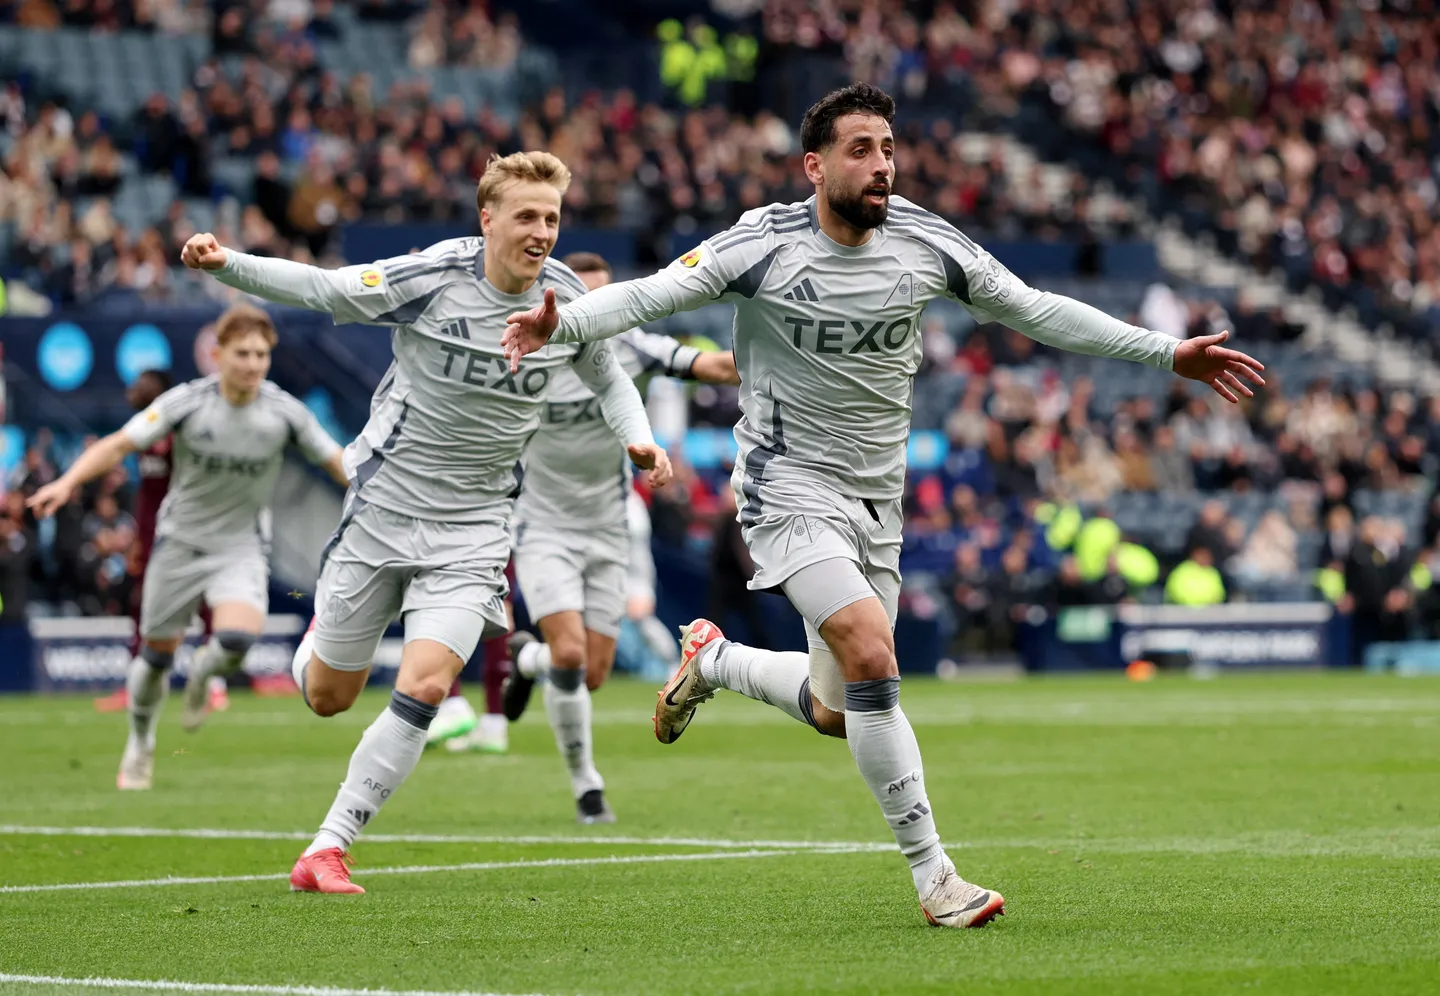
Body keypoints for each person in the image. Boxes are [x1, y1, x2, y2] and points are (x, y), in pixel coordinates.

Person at [501, 83, 1265, 928]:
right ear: (815, 165)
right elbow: (647, 295)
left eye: (889, 149)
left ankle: (714, 662)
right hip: (786, 487)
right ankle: (936, 879)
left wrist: (1164, 353)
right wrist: (559, 324)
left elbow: (1036, 310)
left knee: (839, 710)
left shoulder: (925, 242)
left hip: (878, 499)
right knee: (872, 656)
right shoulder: (763, 244)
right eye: (860, 149)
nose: (881, 166)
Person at [179, 151, 671, 894]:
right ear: (487, 219)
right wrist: (226, 265)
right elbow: (321, 287)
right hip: (385, 508)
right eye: (527, 216)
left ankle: (328, 847)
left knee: (429, 684)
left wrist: (640, 439)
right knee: (327, 698)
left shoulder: (566, 298)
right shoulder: (433, 277)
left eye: (552, 217)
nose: (542, 231)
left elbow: (610, 377)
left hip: (476, 525)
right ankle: (318, 645)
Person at [28, 306, 349, 790]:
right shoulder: (186, 402)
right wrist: (68, 482)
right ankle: (140, 743)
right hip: (179, 544)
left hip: (240, 546)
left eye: (262, 354)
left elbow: (336, 463)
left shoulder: (284, 412)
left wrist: (387, 500)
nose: (253, 363)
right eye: (243, 353)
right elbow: (118, 445)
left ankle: (203, 673)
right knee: (154, 658)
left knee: (238, 640)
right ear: (218, 356)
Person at [500, 250, 738, 825]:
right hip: (543, 524)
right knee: (572, 652)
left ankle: (523, 659)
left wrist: (780, 351)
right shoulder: (523, 349)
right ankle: (588, 787)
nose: (601, 310)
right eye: (588, 297)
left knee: (592, 673)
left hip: (607, 523)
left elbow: (713, 368)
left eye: (610, 299)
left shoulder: (631, 346)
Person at [93, 369, 226, 716]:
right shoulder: (142, 430)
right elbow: (147, 494)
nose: (135, 389)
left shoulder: (182, 428)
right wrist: (138, 536)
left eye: (144, 385)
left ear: (163, 392)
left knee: (204, 602)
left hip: (187, 529)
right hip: (152, 533)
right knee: (142, 603)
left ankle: (213, 683)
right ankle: (138, 682)